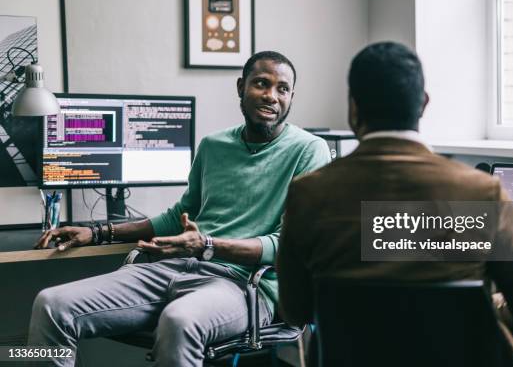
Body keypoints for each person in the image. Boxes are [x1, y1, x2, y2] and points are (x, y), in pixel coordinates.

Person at [28, 51, 331, 367]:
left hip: (245, 284)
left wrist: (209, 246)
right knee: (51, 305)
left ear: (291, 96)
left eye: (282, 88)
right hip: (175, 267)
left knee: (179, 320)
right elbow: (179, 217)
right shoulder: (213, 146)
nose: (271, 96)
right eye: (261, 83)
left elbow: (292, 244)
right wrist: (98, 232)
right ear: (241, 86)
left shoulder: (309, 150)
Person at [276, 42, 513, 367]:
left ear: (353, 108)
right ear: (423, 104)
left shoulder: (309, 194)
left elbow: (295, 310)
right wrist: (494, 305)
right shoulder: (480, 192)